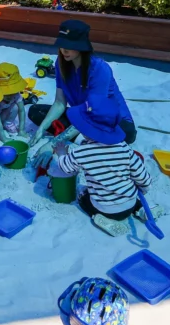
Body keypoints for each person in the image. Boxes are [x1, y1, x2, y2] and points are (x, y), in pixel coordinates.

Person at [29, 19, 136, 152]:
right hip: (82, 115)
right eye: (62, 45)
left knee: (125, 133)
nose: (64, 50)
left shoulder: (99, 68)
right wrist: (41, 129)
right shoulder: (61, 63)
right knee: (35, 112)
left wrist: (53, 143)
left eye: (69, 46)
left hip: (109, 120)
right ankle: (86, 140)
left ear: (81, 46)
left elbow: (94, 113)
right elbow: (59, 103)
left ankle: (84, 140)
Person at [52, 96, 153, 237]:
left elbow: (66, 167)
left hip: (105, 209)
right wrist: (145, 188)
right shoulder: (124, 147)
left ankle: (99, 217)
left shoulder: (81, 152)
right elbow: (142, 176)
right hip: (128, 203)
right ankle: (142, 210)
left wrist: (61, 153)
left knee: (82, 195)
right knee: (128, 195)